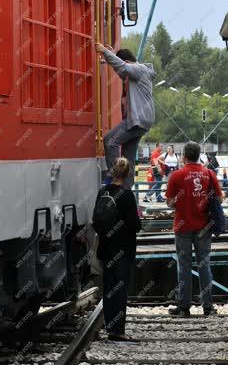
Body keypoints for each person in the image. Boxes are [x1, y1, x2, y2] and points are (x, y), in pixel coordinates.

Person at [165, 141, 223, 317]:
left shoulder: (176, 175)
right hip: (204, 226)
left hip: (183, 227)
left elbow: (169, 202)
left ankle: (184, 307)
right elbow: (219, 200)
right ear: (199, 156)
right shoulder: (209, 174)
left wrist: (181, 202)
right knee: (204, 265)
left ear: (183, 156)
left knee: (184, 266)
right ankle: (208, 307)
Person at [92, 157, 141, 341]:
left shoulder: (103, 192)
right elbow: (135, 225)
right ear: (127, 174)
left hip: (106, 249)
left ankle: (110, 325)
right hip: (123, 250)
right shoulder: (127, 195)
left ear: (113, 172)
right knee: (120, 289)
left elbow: (96, 220)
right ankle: (118, 331)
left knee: (108, 289)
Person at [96, 44, 156, 189]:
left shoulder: (139, 69)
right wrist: (110, 55)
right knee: (128, 157)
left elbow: (122, 67)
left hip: (137, 120)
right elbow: (121, 70)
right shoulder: (137, 73)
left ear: (128, 61)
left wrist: (104, 51)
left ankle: (115, 178)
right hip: (142, 121)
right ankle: (126, 191)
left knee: (110, 141)